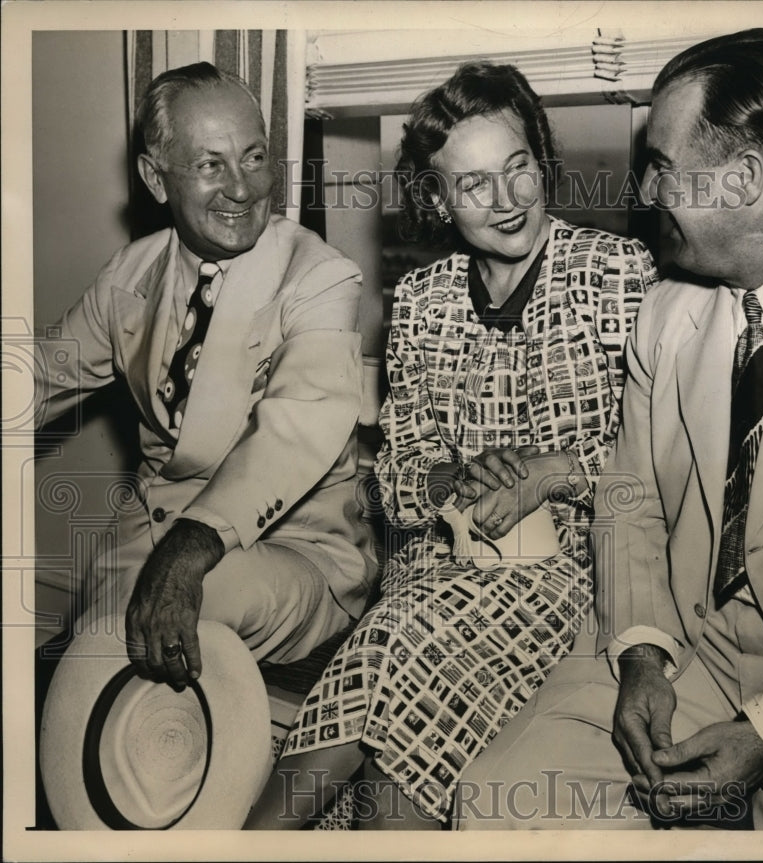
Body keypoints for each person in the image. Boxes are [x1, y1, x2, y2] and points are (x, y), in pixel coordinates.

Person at [456, 29, 763, 830]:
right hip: (689, 649)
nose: (645, 192)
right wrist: (642, 654)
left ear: (743, 178)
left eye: (664, 167)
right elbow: (630, 498)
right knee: (497, 809)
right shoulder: (666, 312)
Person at [244, 60, 659, 829]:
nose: (506, 203)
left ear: (542, 158)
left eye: (517, 169)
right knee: (400, 655)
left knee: (398, 648)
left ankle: (248, 842)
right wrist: (454, 477)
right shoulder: (422, 300)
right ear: (437, 199)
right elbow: (394, 484)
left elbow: (660, 475)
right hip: (443, 566)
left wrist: (551, 471)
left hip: (572, 579)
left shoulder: (618, 274)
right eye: (472, 185)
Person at [35, 62, 377, 690]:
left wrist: (183, 555)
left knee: (125, 649)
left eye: (252, 158)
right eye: (209, 165)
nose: (241, 190)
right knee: (73, 677)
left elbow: (293, 432)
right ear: (154, 178)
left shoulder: (320, 276)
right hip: (152, 540)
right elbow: (36, 379)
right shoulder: (128, 276)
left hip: (294, 552)